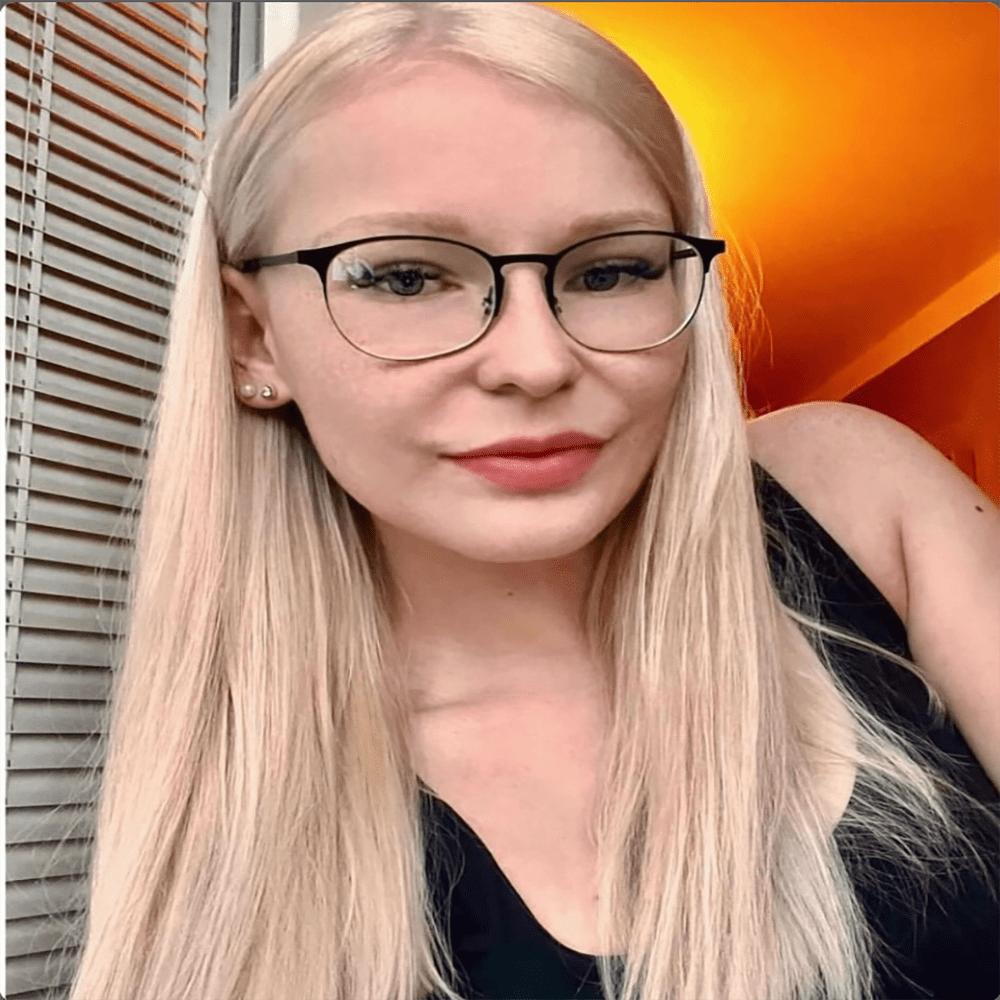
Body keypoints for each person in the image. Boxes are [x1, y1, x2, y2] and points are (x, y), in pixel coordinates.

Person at [69, 4, 998, 999]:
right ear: (253, 338)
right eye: (407, 276)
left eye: (613, 270)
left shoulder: (853, 494)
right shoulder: (235, 820)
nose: (537, 360)